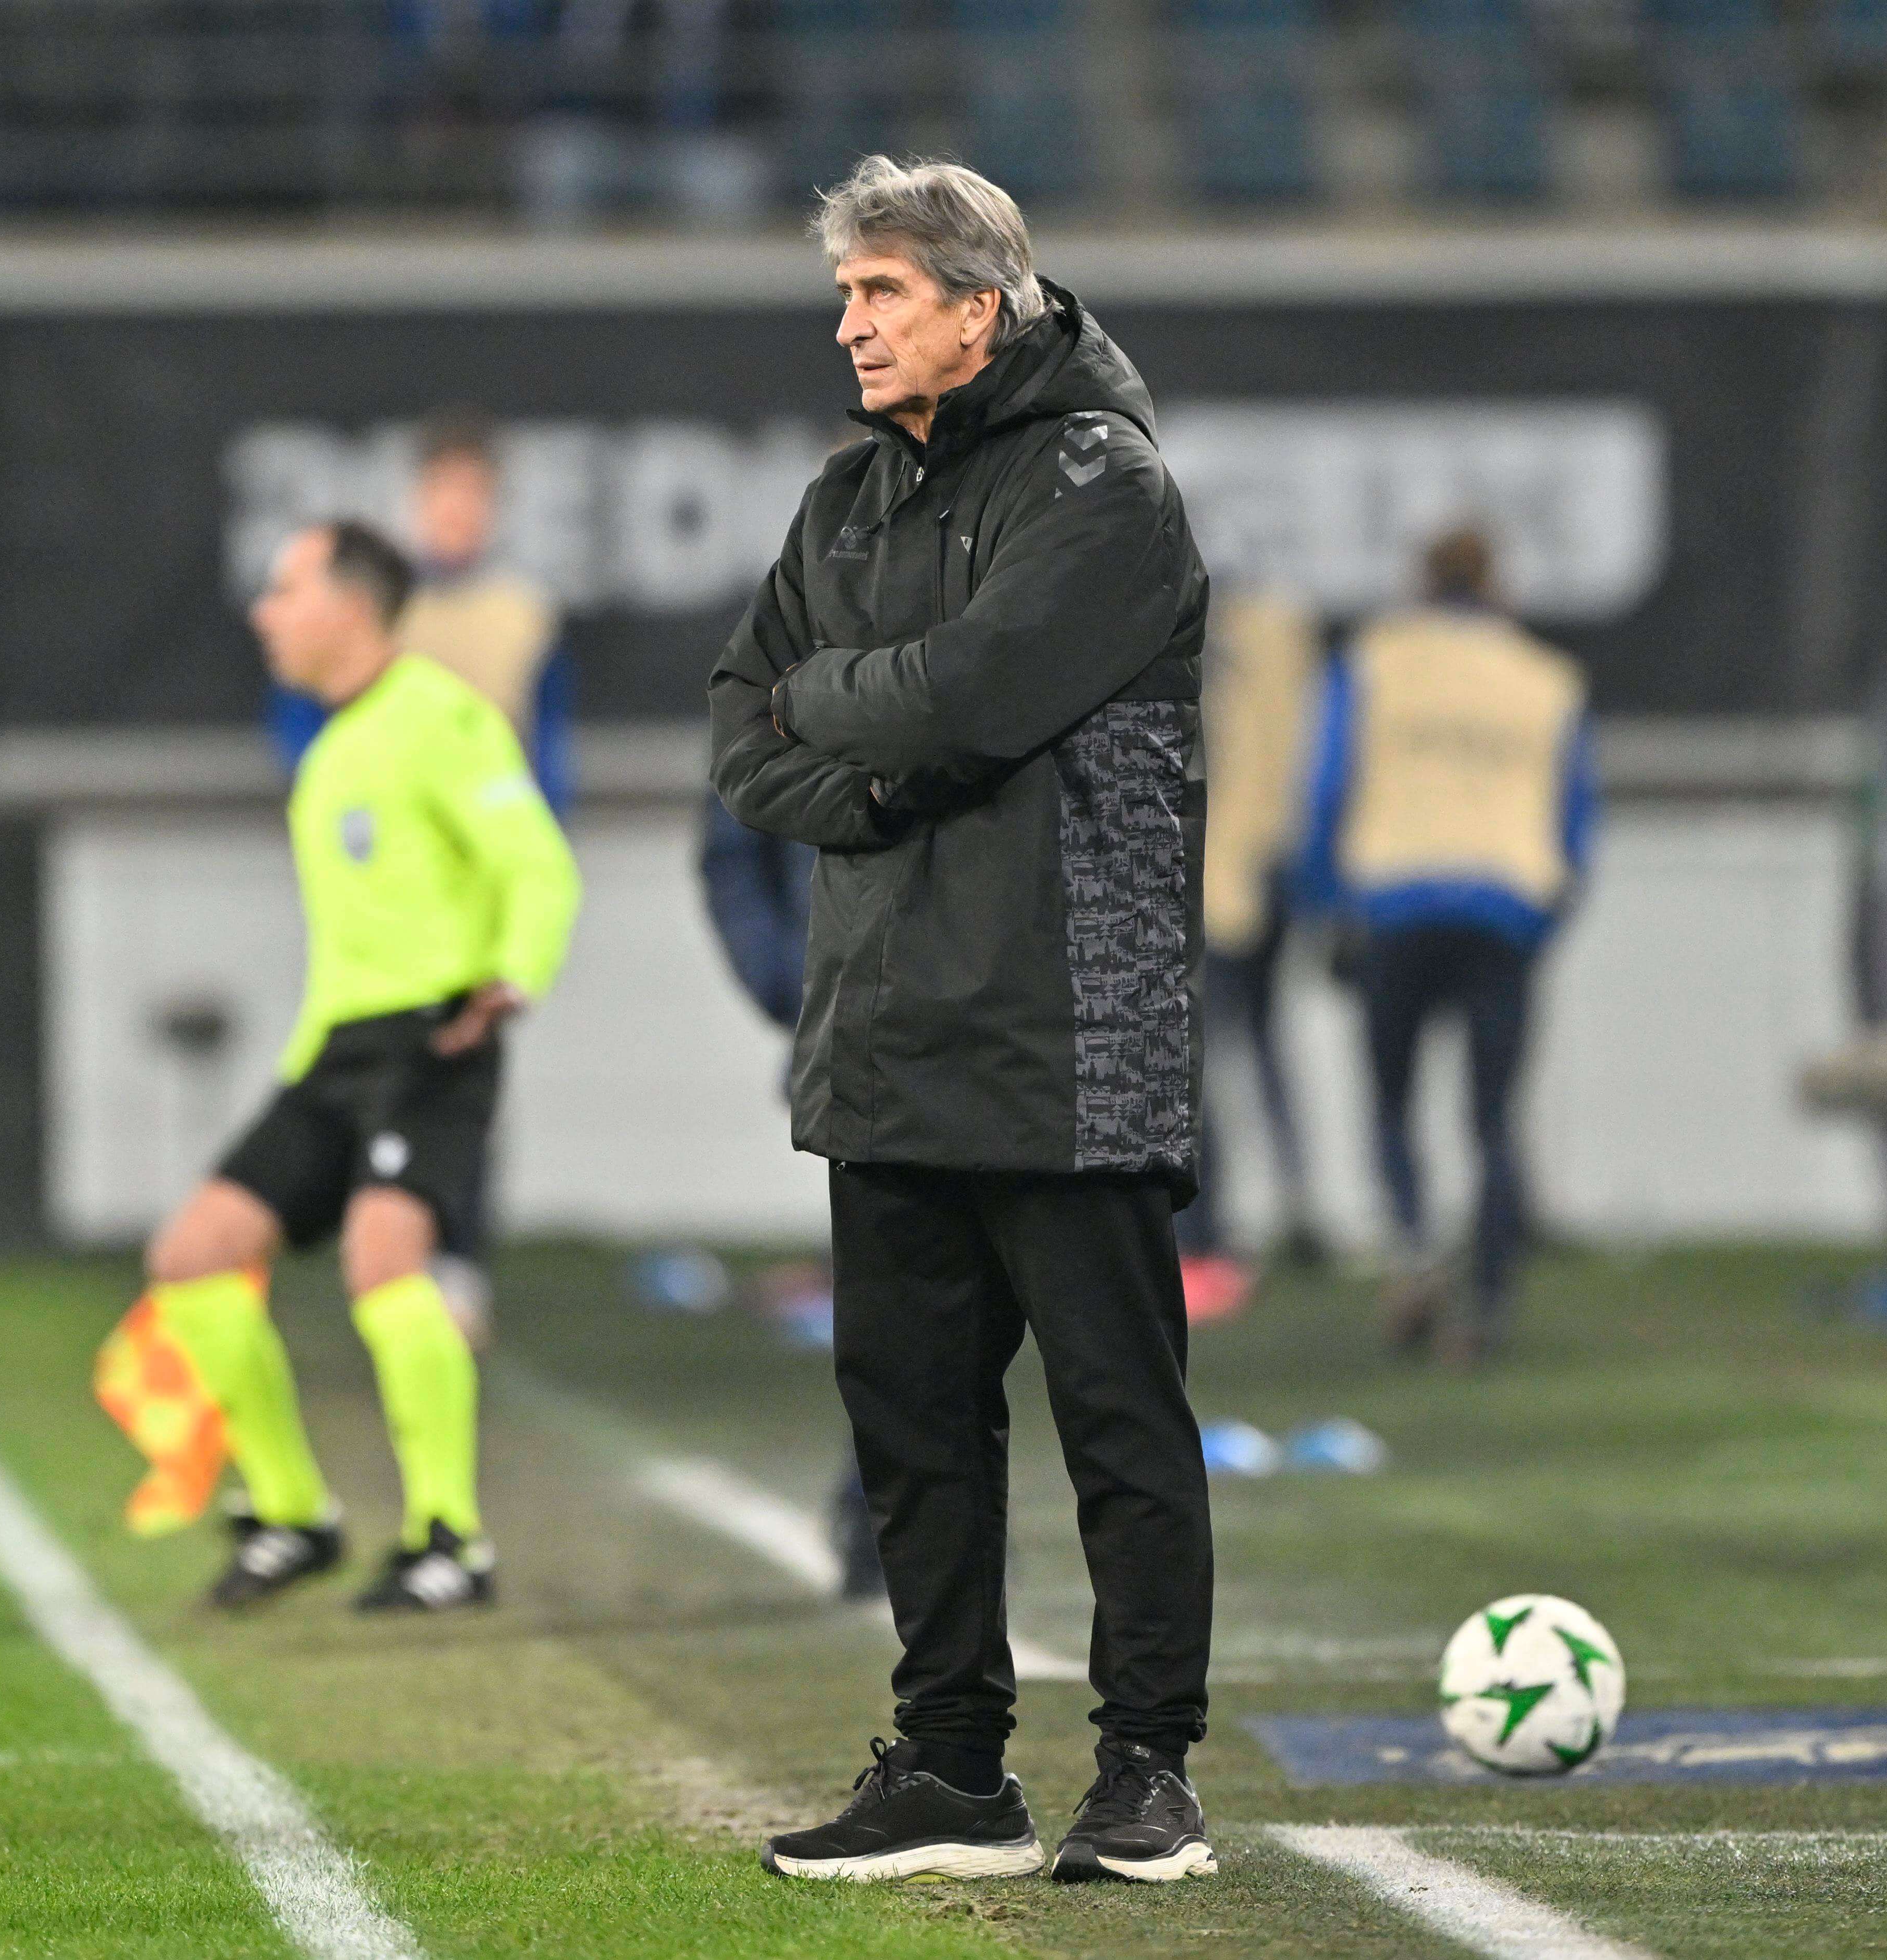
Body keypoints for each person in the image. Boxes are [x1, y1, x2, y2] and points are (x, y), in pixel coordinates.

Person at [709, 154, 1217, 1887]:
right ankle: (950, 1768)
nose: (847, 325)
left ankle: (1148, 1773)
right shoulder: (844, 498)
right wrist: (874, 771)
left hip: (1076, 1027)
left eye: (879, 295)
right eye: (844, 294)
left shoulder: (1108, 487)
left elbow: (980, 693)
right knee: (910, 1425)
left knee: (1118, 1421)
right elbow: (739, 732)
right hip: (892, 1027)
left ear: (974, 308)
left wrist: (846, 709)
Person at [147, 519, 581, 1613]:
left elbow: (536, 865)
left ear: (348, 605)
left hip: (436, 1034)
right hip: (336, 1051)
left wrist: (512, 975)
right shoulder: (331, 744)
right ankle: (293, 1514)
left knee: (383, 1260)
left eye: (283, 588)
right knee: (195, 1252)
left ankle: (451, 1538)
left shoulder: (441, 718)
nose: (263, 612)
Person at [1299, 525, 1596, 1367]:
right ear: (1496, 580)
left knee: (1390, 1098)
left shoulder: (1373, 660)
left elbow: (1325, 788)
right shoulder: (1544, 675)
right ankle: (1489, 1302)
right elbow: (1576, 819)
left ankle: (1414, 1248)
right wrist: (1544, 917)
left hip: (1393, 897)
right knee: (1492, 1115)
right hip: (1504, 902)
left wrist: (1326, 902)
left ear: (1418, 580)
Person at [696, 791, 884, 1601]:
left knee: (976, 1282)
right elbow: (732, 845)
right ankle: (889, 1502)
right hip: (856, 1031)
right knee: (898, 1272)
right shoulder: (786, 670)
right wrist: (794, 976)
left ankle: (901, 1500)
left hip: (1002, 1022)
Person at [268, 408, 574, 817]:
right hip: (382, 827)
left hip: (484, 832)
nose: (457, 509)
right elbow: (302, 719)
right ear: (415, 494)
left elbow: (547, 746)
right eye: (443, 489)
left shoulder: (526, 614)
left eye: (474, 492)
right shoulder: (364, 603)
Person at [1176, 580, 1329, 1317]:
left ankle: (1215, 1229)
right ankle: (1293, 1200)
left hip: (1214, 885)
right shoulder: (1275, 636)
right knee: (1258, 1047)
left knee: (1202, 1061)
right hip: (1256, 875)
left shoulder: (1198, 648)